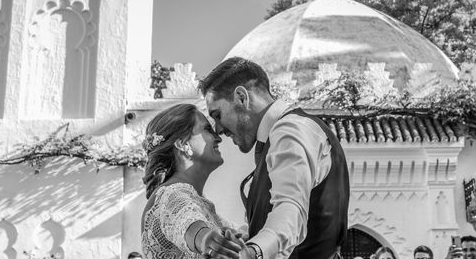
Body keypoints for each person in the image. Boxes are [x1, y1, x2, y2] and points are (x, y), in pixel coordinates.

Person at [200, 57, 350, 259]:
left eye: (217, 115)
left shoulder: (289, 130)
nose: (217, 130)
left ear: (242, 98)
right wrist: (245, 238)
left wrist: (252, 252)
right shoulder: (277, 138)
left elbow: (290, 209)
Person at [140, 103, 244, 259]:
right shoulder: (170, 195)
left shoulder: (199, 202)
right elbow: (187, 224)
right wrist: (205, 240)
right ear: (182, 144)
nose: (218, 137)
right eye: (207, 130)